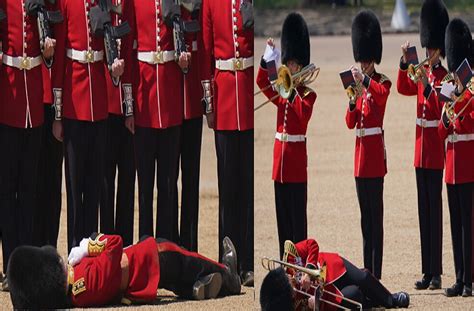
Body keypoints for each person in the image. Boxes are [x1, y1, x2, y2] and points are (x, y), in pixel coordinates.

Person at [51, 0, 125, 252]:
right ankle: (74, 246)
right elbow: (60, 55)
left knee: (95, 184)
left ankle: (91, 246)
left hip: (99, 105)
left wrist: (115, 71)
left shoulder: (104, 4)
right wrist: (58, 115)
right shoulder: (67, 3)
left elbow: (110, 50)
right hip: (74, 103)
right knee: (75, 187)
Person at [7, 234, 241, 308]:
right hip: (149, 260)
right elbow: (114, 243)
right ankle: (228, 274)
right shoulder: (82, 281)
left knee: (177, 278)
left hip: (142, 277)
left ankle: (194, 288)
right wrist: (90, 245)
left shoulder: (73, 292)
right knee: (187, 258)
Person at [121, 0, 189, 244]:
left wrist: (184, 62)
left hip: (169, 104)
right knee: (145, 184)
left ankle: (166, 245)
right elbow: (128, 51)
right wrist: (129, 108)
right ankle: (146, 242)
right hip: (144, 102)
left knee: (168, 184)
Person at [0, 0, 56, 288]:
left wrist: (47, 55)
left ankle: (25, 265)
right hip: (9, 99)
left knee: (29, 188)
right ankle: (11, 264)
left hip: (32, 100)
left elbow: (47, 55)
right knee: (8, 190)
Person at [200, 0, 254, 286]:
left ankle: (247, 262)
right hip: (223, 99)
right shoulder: (211, 3)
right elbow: (206, 55)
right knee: (228, 188)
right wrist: (209, 104)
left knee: (246, 188)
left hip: (245, 97)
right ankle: (227, 260)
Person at [396, 0, 449, 290]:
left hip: (434, 150)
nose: (428, 52)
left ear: (439, 49)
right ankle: (426, 271)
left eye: (431, 48)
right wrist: (406, 62)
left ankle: (438, 271)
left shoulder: (443, 77)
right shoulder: (421, 71)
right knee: (422, 211)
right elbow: (404, 87)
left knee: (434, 211)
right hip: (420, 150)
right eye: (426, 48)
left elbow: (439, 103)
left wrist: (428, 85)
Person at [256, 12, 316, 259]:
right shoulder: (282, 91)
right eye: (288, 63)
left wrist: (290, 93)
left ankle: (299, 266)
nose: (290, 67)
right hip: (279, 166)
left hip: (295, 167)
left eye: (293, 64)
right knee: (283, 225)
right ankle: (286, 264)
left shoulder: (307, 94)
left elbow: (303, 115)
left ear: (300, 66)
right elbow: (262, 83)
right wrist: (267, 58)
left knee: (297, 224)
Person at [345, 10, 391, 280]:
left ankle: (377, 272)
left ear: (373, 59)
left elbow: (382, 95)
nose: (363, 64)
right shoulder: (360, 87)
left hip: (374, 159)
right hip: (360, 161)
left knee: (376, 220)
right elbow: (350, 122)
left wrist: (365, 82)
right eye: (361, 61)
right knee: (365, 221)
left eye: (366, 60)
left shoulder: (380, 82)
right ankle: (367, 271)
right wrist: (352, 101)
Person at [260, 238, 410, 310]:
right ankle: (375, 302)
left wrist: (308, 270)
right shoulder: (294, 306)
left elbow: (311, 244)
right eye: (291, 292)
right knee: (355, 295)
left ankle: (392, 299)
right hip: (331, 294)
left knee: (363, 278)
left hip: (332, 267)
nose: (292, 282)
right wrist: (315, 305)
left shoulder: (290, 258)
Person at [439, 18, 474, 298]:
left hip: (468, 166)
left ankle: (470, 279)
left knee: (469, 224)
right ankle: (460, 276)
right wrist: (447, 110)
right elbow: (442, 131)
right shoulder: (451, 86)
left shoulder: (472, 90)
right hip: (451, 167)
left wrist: (461, 101)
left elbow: (468, 125)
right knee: (455, 224)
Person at [100, 0, 136, 247]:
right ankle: (106, 242)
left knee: (126, 181)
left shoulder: (130, 5)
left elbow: (133, 57)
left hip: (126, 105)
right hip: (103, 104)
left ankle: (123, 245)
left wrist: (130, 106)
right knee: (104, 181)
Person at [175, 2, 204, 252]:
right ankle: (172, 244)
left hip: (193, 99)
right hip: (171, 102)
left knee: (191, 178)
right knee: (168, 178)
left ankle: (190, 244)